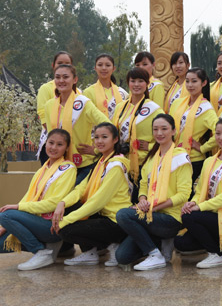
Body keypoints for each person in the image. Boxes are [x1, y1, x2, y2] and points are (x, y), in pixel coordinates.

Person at [115, 114, 192, 270]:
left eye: (164, 129)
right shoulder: (152, 157)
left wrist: (153, 208)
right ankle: (160, 243)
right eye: (155, 129)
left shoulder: (180, 157)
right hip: (150, 214)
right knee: (122, 257)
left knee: (123, 214)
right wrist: (142, 200)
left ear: (173, 131)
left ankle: (154, 254)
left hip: (170, 218)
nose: (159, 133)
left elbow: (183, 194)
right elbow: (143, 184)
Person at [51, 123, 131, 267]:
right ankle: (90, 253)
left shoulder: (115, 166)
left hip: (117, 221)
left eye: (104, 137)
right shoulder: (100, 162)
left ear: (115, 139)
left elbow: (97, 202)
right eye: (96, 137)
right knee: (69, 207)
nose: (99, 141)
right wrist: (62, 203)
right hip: (102, 215)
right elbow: (80, 189)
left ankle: (114, 244)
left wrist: (66, 220)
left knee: (66, 230)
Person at [175, 117, 222, 269]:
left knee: (189, 217)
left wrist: (200, 207)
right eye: (218, 133)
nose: (221, 138)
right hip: (211, 216)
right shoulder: (209, 161)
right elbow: (199, 190)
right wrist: (193, 202)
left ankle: (216, 254)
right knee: (181, 243)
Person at [0, 129, 76, 270]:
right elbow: (27, 198)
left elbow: (54, 203)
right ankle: (47, 248)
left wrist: (18, 208)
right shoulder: (43, 169)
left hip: (52, 226)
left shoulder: (68, 169)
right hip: (35, 221)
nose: (53, 147)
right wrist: (5, 226)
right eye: (51, 143)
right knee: (2, 237)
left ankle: (40, 251)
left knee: (5, 215)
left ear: (66, 148)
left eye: (59, 144)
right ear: (45, 143)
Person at [44, 64, 110, 183]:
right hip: (60, 165)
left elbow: (108, 126)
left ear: (75, 80)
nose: (61, 81)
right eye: (57, 77)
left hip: (84, 164)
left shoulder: (83, 103)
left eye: (65, 77)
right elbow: (51, 135)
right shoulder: (49, 105)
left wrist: (95, 149)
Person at [112, 68, 164, 198]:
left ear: (147, 84)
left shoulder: (154, 109)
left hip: (143, 163)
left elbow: (169, 135)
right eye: (133, 81)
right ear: (128, 83)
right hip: (122, 162)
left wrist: (150, 146)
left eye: (141, 81)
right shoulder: (120, 107)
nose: (136, 84)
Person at [169, 68, 218, 190]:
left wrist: (203, 148)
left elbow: (220, 132)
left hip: (193, 158)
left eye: (194, 81)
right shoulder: (177, 103)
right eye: (187, 81)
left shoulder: (206, 108)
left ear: (204, 83)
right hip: (174, 154)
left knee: (184, 190)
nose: (190, 85)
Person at [36, 51, 77, 165]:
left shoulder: (79, 92)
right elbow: (44, 119)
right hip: (53, 144)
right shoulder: (45, 88)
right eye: (60, 63)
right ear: (53, 65)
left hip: (74, 145)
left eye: (67, 63)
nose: (63, 65)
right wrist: (60, 140)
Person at [83, 54, 128, 119]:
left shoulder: (122, 92)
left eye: (108, 65)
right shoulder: (88, 92)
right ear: (95, 68)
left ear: (113, 68)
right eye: (100, 65)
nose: (104, 68)